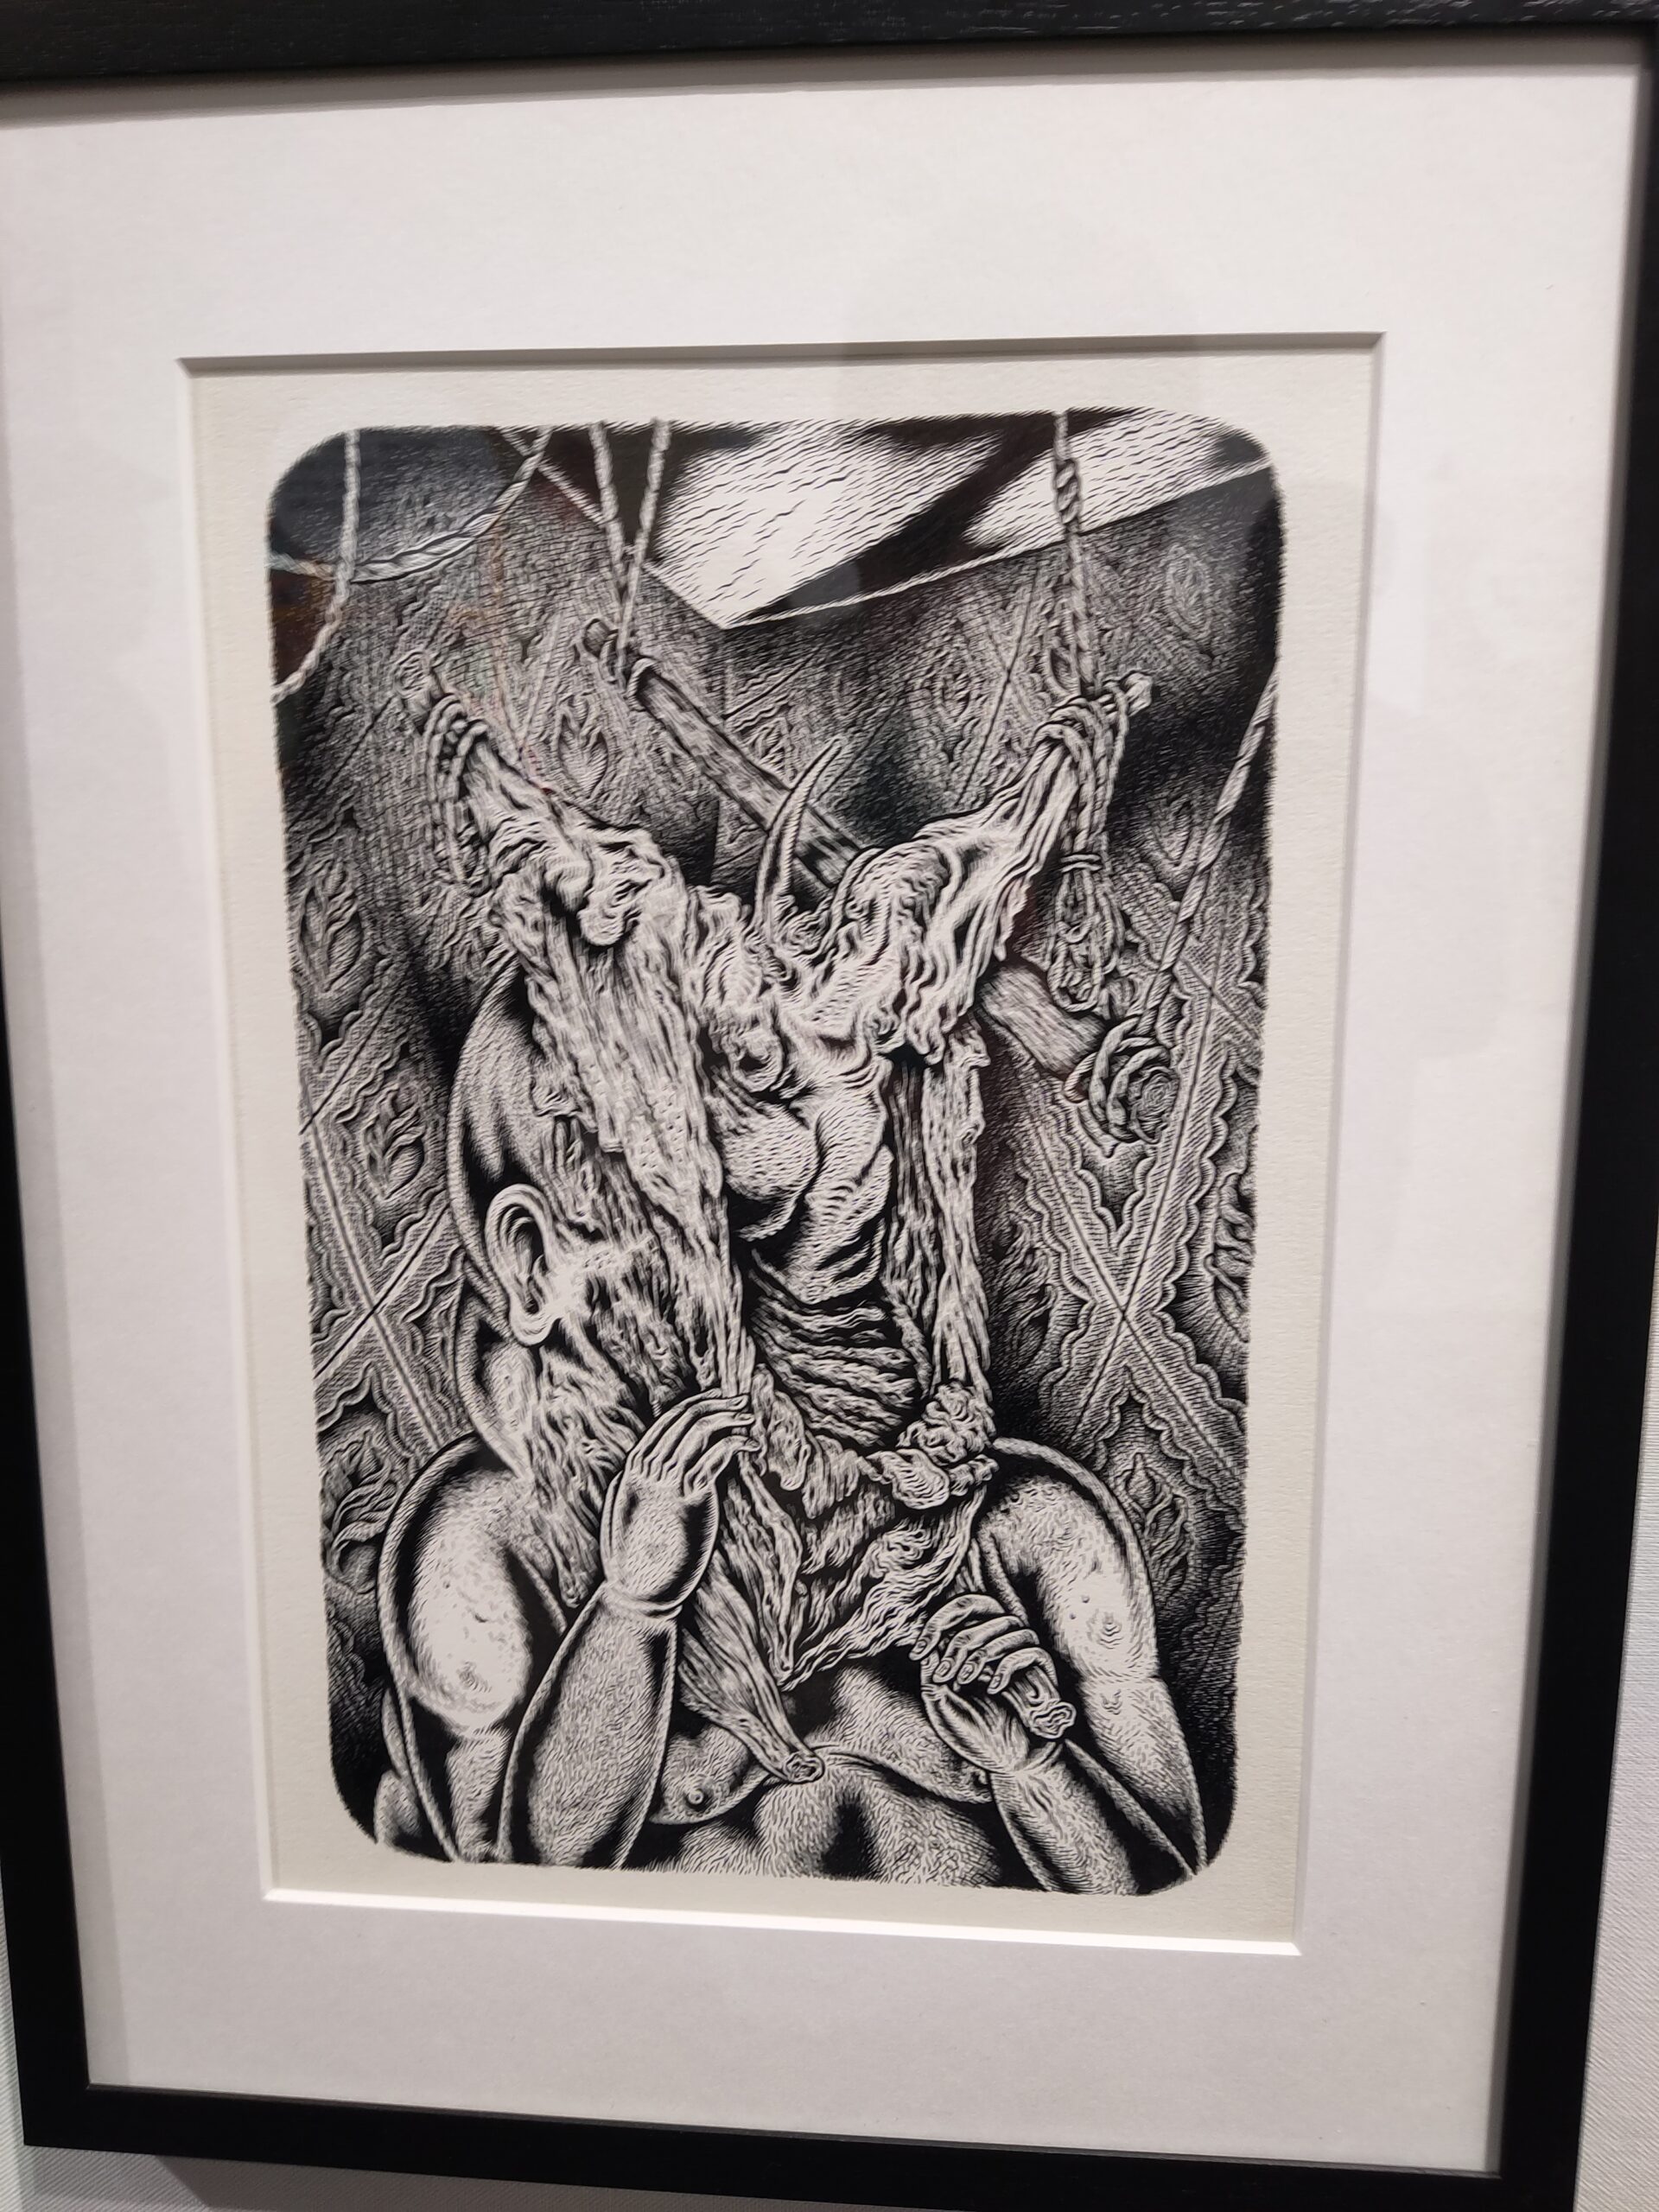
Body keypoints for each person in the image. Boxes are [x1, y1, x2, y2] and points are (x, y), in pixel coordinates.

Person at [372, 669, 1205, 1891]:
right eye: (691, 1195)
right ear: (535, 1264)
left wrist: (1036, 1773)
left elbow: (1173, 1893)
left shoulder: (1023, 1533)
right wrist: (632, 1611)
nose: (781, 1247)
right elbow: (502, 1885)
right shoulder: (496, 1541)